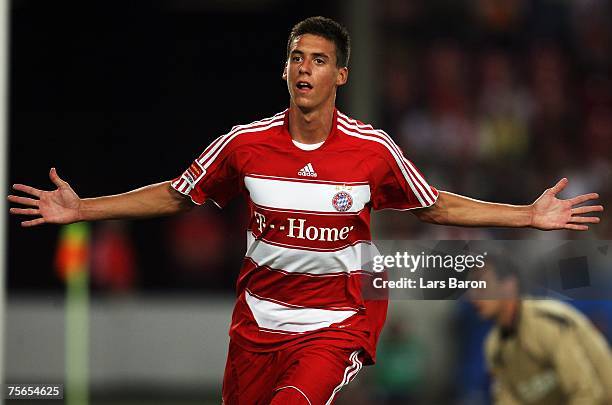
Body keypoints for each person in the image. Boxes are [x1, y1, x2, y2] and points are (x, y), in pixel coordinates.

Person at [8, 16, 604, 405]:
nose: (303, 68)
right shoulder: (244, 143)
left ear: (341, 73)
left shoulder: (373, 150)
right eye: (296, 57)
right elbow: (175, 193)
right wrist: (85, 208)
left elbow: (435, 206)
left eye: (317, 59)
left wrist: (525, 216)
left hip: (334, 326)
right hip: (256, 326)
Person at [470, 258, 612, 404]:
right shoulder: (494, 347)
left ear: (508, 286)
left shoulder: (548, 323)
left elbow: (586, 393)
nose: (473, 297)